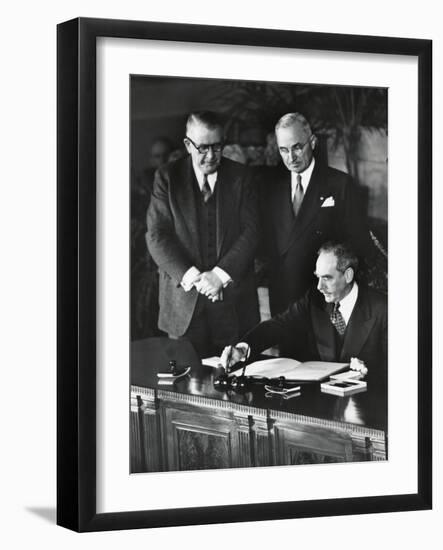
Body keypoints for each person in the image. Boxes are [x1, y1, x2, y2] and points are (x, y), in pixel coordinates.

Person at [146, 111, 260, 357]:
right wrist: (197, 278)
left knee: (238, 387)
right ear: (188, 145)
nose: (211, 156)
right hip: (182, 306)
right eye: (203, 148)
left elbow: (253, 232)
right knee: (183, 387)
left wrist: (218, 277)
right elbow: (157, 236)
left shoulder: (242, 177)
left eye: (217, 147)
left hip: (234, 306)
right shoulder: (167, 177)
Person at [221, 242, 387, 383]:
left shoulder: (384, 309)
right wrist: (242, 349)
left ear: (348, 275)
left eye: (327, 278)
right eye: (318, 277)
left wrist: (369, 371)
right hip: (323, 404)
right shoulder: (314, 300)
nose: (319, 286)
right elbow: (278, 326)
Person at [261, 112, 370, 316]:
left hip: (324, 297)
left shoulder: (340, 184)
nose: (291, 157)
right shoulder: (271, 187)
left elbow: (357, 243)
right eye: (283, 150)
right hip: (284, 298)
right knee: (288, 347)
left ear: (312, 142)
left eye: (297, 147)